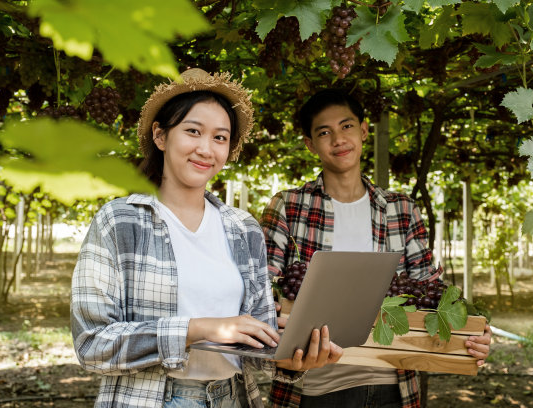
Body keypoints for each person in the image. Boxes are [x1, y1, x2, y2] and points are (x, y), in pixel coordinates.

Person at [70, 69, 342, 408]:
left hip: (232, 398)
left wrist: (291, 356)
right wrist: (198, 329)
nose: (205, 148)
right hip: (150, 399)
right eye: (193, 131)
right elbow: (91, 345)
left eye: (219, 137)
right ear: (160, 136)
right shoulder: (119, 222)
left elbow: (254, 346)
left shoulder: (244, 230)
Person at [260, 89, 492, 408]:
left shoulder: (401, 209)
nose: (338, 139)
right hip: (314, 391)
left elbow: (430, 292)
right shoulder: (289, 206)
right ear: (310, 145)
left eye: (346, 126)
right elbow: (261, 292)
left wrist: (471, 333)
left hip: (392, 389)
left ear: (365, 130)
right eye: (324, 132)